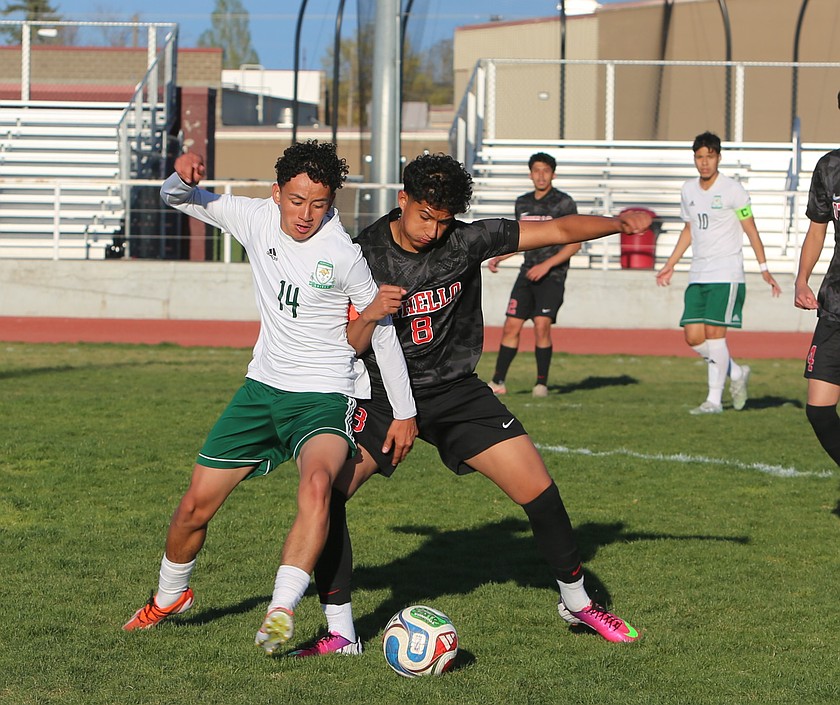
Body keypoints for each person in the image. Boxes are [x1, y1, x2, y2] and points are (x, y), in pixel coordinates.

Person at [285, 153, 653, 659]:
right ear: (402, 200)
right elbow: (345, 343)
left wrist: (618, 223)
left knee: (539, 490)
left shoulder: (465, 240)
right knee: (327, 495)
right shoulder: (360, 253)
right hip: (381, 396)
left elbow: (557, 229)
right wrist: (371, 314)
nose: (433, 232)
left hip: (456, 392)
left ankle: (577, 602)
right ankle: (341, 632)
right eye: (424, 217)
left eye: (443, 221)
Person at [122, 141, 418, 658]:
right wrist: (181, 178)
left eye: (319, 204)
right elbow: (175, 198)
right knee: (194, 507)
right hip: (260, 391)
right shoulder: (254, 217)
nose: (306, 215)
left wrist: (406, 412)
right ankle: (170, 596)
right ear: (276, 192)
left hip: (325, 393)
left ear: (333, 204)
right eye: (297, 200)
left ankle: (280, 610)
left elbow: (382, 328)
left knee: (319, 484)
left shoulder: (344, 253)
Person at [656, 131, 781, 414]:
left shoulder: (733, 190)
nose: (704, 163)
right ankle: (736, 372)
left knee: (715, 337)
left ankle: (713, 401)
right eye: (700, 157)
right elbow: (689, 229)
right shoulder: (688, 190)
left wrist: (764, 268)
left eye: (710, 157)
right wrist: (671, 263)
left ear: (718, 158)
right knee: (692, 337)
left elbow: (750, 228)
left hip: (726, 273)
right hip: (698, 273)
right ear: (695, 159)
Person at [487, 152, 580, 397]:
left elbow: (575, 244)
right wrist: (500, 256)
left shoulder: (564, 203)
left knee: (541, 326)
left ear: (553, 174)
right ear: (530, 174)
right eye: (536, 171)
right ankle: (498, 381)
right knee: (511, 326)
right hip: (527, 274)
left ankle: (541, 383)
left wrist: (547, 265)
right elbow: (522, 240)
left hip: (553, 276)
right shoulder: (523, 203)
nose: (541, 175)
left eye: (545, 171)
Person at [794, 93, 840, 470]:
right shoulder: (829, 168)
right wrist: (801, 279)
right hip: (836, 306)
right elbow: (816, 231)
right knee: (819, 411)